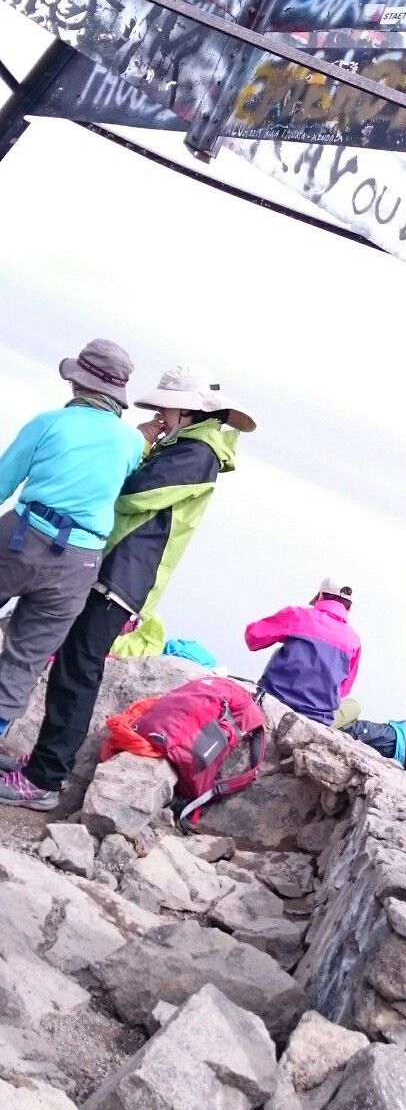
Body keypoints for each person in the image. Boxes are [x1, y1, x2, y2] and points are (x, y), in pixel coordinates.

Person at [0, 364, 255, 810]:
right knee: (71, 664)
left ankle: (44, 779)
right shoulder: (189, 447)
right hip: (116, 570)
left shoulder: (197, 454)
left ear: (189, 411)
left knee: (78, 670)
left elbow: (135, 494)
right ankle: (42, 765)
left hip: (124, 575)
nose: (161, 415)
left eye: (167, 408)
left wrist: (133, 451)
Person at [0, 338, 144, 740]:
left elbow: (3, 482)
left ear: (78, 382)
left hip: (23, 536)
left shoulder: (50, 422)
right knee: (26, 656)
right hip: (80, 560)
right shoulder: (133, 442)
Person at [245, 578, 362, 726]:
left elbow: (253, 637)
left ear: (320, 596)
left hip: (273, 699)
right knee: (353, 707)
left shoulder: (299, 615)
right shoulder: (354, 641)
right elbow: (344, 689)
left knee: (279, 651)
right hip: (317, 718)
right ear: (349, 608)